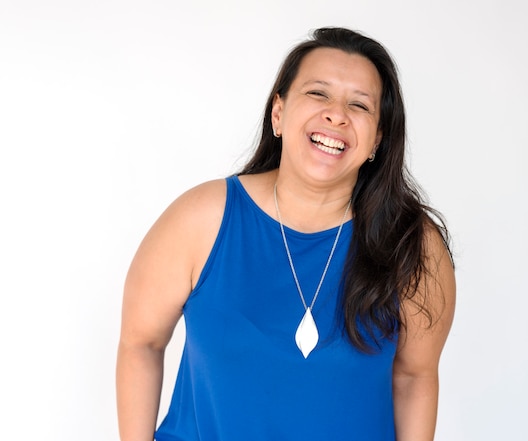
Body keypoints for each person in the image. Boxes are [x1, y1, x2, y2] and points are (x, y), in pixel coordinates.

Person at [116, 27, 456, 441]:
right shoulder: (202, 219)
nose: (336, 114)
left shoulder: (412, 245)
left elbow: (415, 377)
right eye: (318, 94)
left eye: (359, 105)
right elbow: (141, 342)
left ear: (377, 141)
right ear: (279, 113)